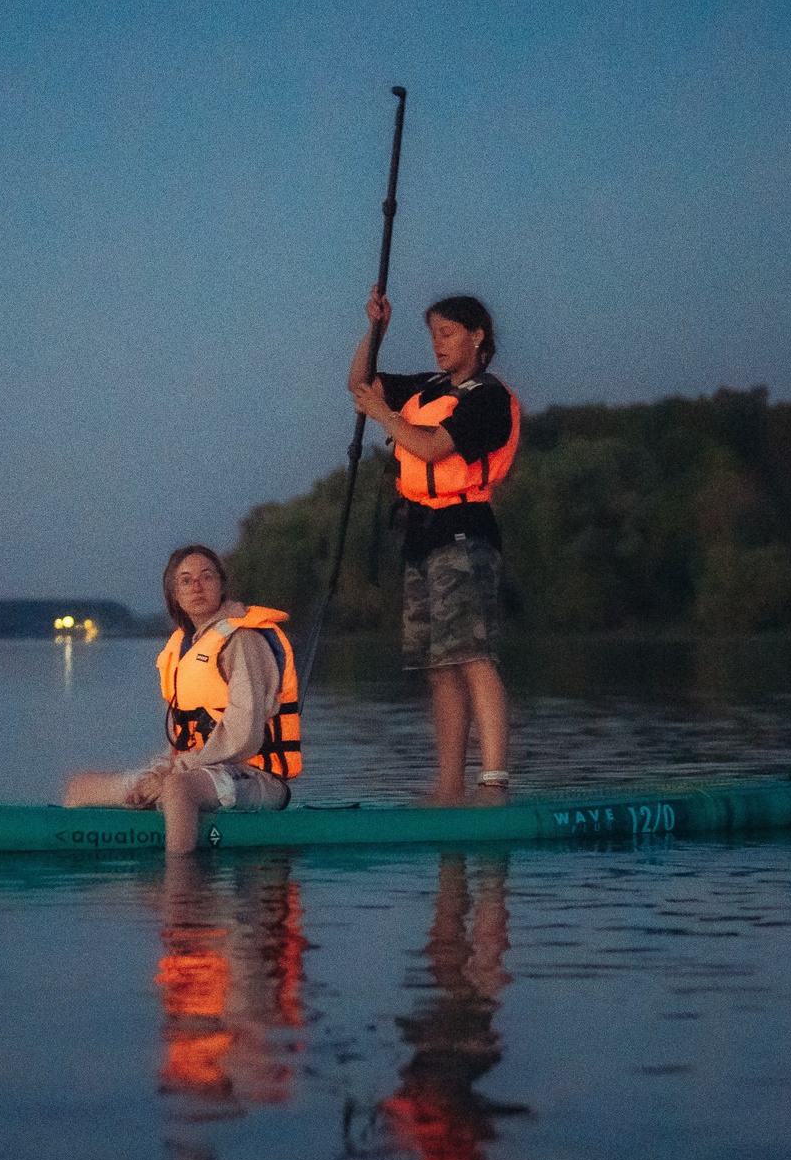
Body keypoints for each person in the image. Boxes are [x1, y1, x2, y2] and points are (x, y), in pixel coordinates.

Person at [348, 287, 523, 804]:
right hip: (421, 534)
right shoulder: (427, 387)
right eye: (432, 335)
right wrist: (375, 331)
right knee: (439, 663)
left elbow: (428, 445)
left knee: (471, 654)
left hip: (466, 528)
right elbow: (360, 384)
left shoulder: (486, 398)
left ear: (478, 336)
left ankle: (492, 779)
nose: (437, 345)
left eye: (447, 334)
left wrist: (384, 415)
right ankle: (449, 784)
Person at [62, 544, 299, 855]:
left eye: (206, 577)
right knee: (82, 787)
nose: (196, 586)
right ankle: (67, 861)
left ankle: (181, 886)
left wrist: (173, 774)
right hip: (194, 769)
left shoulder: (243, 642)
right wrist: (159, 770)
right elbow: (183, 739)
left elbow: (244, 737)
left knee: (176, 789)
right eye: (185, 580)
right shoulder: (183, 647)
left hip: (257, 777)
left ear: (222, 585)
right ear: (174, 593)